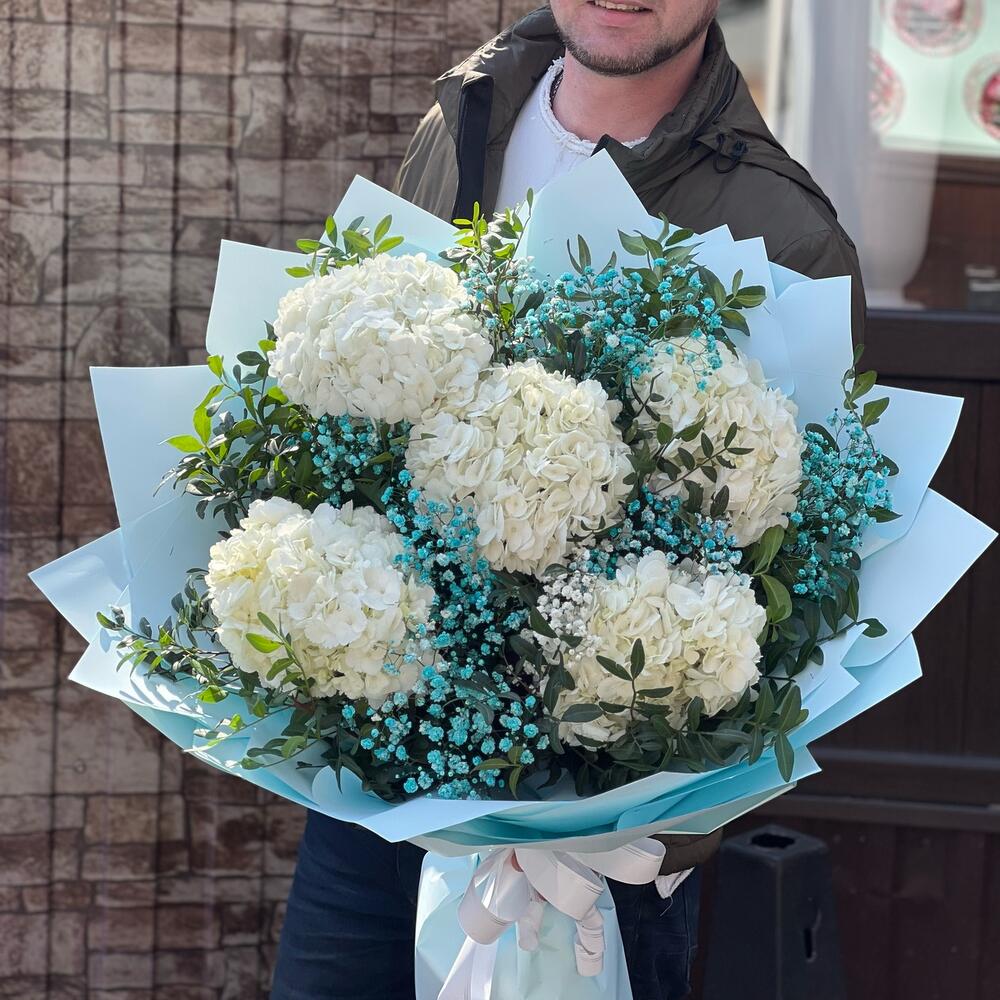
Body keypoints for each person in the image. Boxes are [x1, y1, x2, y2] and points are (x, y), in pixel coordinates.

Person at [272, 4, 865, 999]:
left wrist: (649, 826)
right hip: (370, 799)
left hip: (590, 852)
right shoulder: (467, 117)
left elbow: (810, 586)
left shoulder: (785, 230)